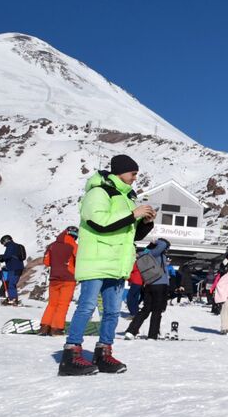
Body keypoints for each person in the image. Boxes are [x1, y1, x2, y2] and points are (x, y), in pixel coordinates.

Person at [59, 154, 156, 376]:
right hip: (96, 260)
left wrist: (145, 223)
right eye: (133, 174)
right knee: (87, 306)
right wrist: (133, 214)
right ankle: (71, 354)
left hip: (116, 263)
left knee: (112, 312)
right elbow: (99, 223)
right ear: (120, 172)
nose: (134, 178)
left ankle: (103, 353)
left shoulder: (127, 198)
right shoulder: (98, 192)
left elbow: (129, 234)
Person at [125, 238, 172, 340]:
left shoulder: (146, 253)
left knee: (145, 309)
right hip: (160, 284)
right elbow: (163, 244)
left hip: (149, 284)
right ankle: (152, 335)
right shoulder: (155, 253)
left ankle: (131, 331)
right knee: (157, 311)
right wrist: (158, 240)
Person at [40, 227, 78, 336]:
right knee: (63, 304)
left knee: (52, 304)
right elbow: (79, 260)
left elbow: (46, 262)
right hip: (68, 278)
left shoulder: (52, 245)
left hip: (54, 278)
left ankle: (44, 327)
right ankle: (56, 328)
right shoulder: (74, 246)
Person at [0, 235, 26, 305]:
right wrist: (2, 257)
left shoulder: (10, 246)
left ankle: (13, 299)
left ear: (6, 240)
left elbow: (8, 255)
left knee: (11, 284)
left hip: (14, 268)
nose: (3, 244)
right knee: (11, 283)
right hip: (15, 268)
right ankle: (12, 298)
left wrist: (1, 258)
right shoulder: (14, 246)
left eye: (3, 242)